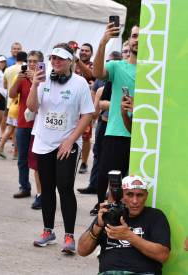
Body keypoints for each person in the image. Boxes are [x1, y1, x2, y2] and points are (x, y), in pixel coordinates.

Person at [27, 43, 94, 254]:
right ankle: (48, 231)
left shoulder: (80, 83)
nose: (55, 62)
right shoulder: (43, 80)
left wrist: (71, 140)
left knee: (64, 188)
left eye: (60, 59)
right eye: (53, 58)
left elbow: (87, 115)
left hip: (68, 144)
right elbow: (31, 108)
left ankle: (69, 235)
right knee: (46, 189)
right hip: (44, 143)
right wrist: (34, 85)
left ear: (70, 62)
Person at [78, 176, 171, 274]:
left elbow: (162, 255)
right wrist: (97, 227)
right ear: (121, 196)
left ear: (146, 196)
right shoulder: (110, 214)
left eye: (139, 195)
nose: (135, 201)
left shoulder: (155, 216)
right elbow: (82, 251)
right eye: (130, 195)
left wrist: (129, 236)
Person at [91, 24, 139, 214]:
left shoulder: (157, 72)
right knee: (112, 181)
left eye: (143, 36)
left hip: (146, 135)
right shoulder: (117, 66)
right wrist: (103, 41)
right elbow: (96, 73)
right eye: (135, 36)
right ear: (129, 40)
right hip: (117, 133)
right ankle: (110, 218)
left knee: (137, 184)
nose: (138, 40)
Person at [77, 51, 122, 196]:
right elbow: (97, 105)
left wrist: (108, 103)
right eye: (107, 62)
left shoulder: (119, 79)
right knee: (97, 155)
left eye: (112, 63)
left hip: (118, 125)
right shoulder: (101, 81)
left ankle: (111, 194)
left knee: (114, 161)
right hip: (103, 123)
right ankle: (94, 185)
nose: (108, 66)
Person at [8, 50, 44, 205]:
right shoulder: (21, 78)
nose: (31, 64)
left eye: (35, 61)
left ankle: (41, 192)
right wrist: (18, 80)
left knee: (38, 161)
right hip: (23, 123)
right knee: (22, 158)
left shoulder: (45, 78)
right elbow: (11, 94)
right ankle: (24, 186)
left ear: (41, 63)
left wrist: (35, 81)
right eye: (29, 61)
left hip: (40, 125)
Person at [75, 43, 95, 174]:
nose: (83, 52)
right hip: (71, 103)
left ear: (91, 53)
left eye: (86, 51)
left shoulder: (93, 65)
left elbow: (91, 75)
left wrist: (77, 62)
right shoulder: (71, 64)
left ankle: (84, 162)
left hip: (86, 106)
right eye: (81, 50)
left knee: (85, 136)